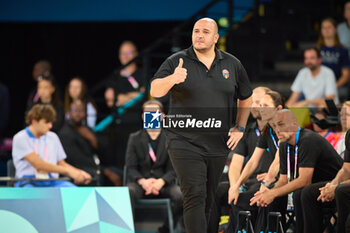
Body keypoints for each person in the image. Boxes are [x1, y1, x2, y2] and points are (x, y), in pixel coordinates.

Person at [150, 17, 252, 233]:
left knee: (207, 199)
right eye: (196, 31)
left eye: (205, 31)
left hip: (218, 142)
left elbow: (246, 97)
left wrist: (240, 127)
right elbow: (155, 90)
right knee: (194, 194)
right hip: (183, 140)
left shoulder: (232, 64)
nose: (199, 35)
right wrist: (173, 79)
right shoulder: (176, 60)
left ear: (216, 37)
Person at [250, 109, 343, 233]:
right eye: (275, 126)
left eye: (281, 124)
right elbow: (283, 180)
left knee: (302, 193)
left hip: (334, 183)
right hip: (312, 186)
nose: (277, 130)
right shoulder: (283, 144)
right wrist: (269, 192)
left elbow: (305, 180)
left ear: (294, 124)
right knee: (270, 197)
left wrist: (273, 193)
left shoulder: (308, 140)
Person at [207, 86, 271, 233]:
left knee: (245, 196)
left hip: (267, 182)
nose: (254, 105)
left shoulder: (277, 130)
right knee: (216, 190)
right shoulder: (246, 131)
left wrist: (269, 178)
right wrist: (235, 186)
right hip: (247, 180)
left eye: (258, 101)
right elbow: (235, 165)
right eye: (252, 102)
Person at [229, 90, 286, 232]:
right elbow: (253, 162)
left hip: (287, 180)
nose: (261, 108)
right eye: (260, 105)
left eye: (265, 105)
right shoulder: (267, 130)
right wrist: (236, 185)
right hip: (272, 181)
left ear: (278, 109)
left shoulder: (286, 127)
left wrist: (265, 183)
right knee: (238, 200)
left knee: (262, 199)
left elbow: (278, 161)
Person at [126, 100, 182, 233]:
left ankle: (167, 227)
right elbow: (131, 167)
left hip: (164, 183)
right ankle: (129, 229)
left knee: (181, 195)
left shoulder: (171, 138)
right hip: (141, 183)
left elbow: (174, 168)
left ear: (162, 116)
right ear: (142, 116)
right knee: (128, 192)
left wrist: (160, 182)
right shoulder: (134, 138)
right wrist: (143, 182)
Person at [12, 104, 91, 187]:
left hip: (51, 182)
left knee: (75, 192)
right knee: (33, 196)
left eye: (51, 122)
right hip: (28, 182)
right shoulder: (20, 138)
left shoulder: (53, 137)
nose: (50, 126)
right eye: (46, 122)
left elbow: (61, 163)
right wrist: (69, 172)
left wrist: (78, 172)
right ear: (34, 121)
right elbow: (39, 164)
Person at [99, 41, 146, 181]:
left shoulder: (143, 73)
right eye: (122, 53)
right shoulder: (115, 76)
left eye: (129, 52)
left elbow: (146, 95)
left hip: (139, 123)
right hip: (120, 126)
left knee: (139, 160)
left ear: (136, 54)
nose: (125, 56)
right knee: (122, 162)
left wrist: (122, 98)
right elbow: (111, 99)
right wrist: (136, 94)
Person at [59, 100, 99, 181]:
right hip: (76, 170)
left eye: (81, 110)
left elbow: (99, 152)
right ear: (69, 113)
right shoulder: (64, 132)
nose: (77, 113)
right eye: (74, 110)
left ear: (85, 113)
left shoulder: (88, 130)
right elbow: (74, 159)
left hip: (91, 167)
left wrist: (92, 138)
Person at [317, 17, 350, 100]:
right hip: (318, 86)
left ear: (335, 30)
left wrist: (332, 87)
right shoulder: (317, 50)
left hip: (337, 86)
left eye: (329, 27)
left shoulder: (342, 50)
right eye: (324, 27)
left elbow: (346, 76)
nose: (326, 30)